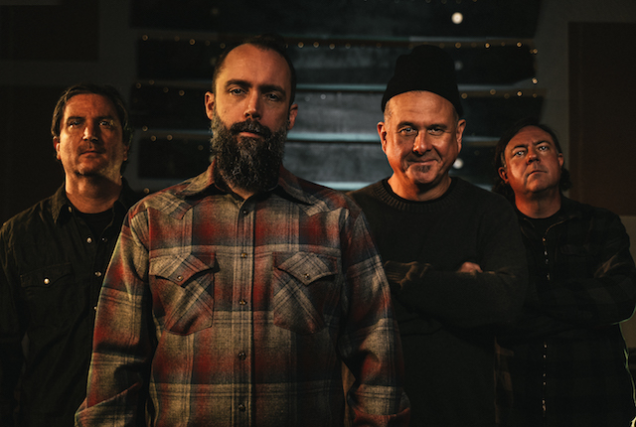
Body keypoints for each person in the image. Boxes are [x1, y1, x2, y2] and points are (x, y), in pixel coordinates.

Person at [74, 34, 409, 426]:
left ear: (290, 115)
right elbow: (114, 373)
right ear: (210, 105)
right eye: (237, 90)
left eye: (271, 95)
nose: (253, 108)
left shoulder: (337, 219)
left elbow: (379, 364)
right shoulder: (150, 221)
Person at [348, 45, 528, 426]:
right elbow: (338, 317)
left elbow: (506, 304)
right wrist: (458, 293)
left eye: (436, 130)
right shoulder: (349, 214)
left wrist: (391, 279)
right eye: (407, 129)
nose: (421, 145)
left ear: (458, 134)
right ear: (384, 135)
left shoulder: (490, 212)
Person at [0, 83, 139, 427]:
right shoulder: (19, 236)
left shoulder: (157, 226)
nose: (90, 134)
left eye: (105, 123)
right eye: (75, 123)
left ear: (125, 147)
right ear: (57, 147)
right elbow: (3, 352)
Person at [493, 117, 636, 426]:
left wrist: (519, 292)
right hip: (517, 406)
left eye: (542, 147)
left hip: (598, 405)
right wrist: (585, 316)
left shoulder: (600, 223)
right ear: (504, 174)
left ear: (559, 160)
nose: (532, 156)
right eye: (519, 152)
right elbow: (491, 314)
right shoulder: (492, 234)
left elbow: (621, 298)